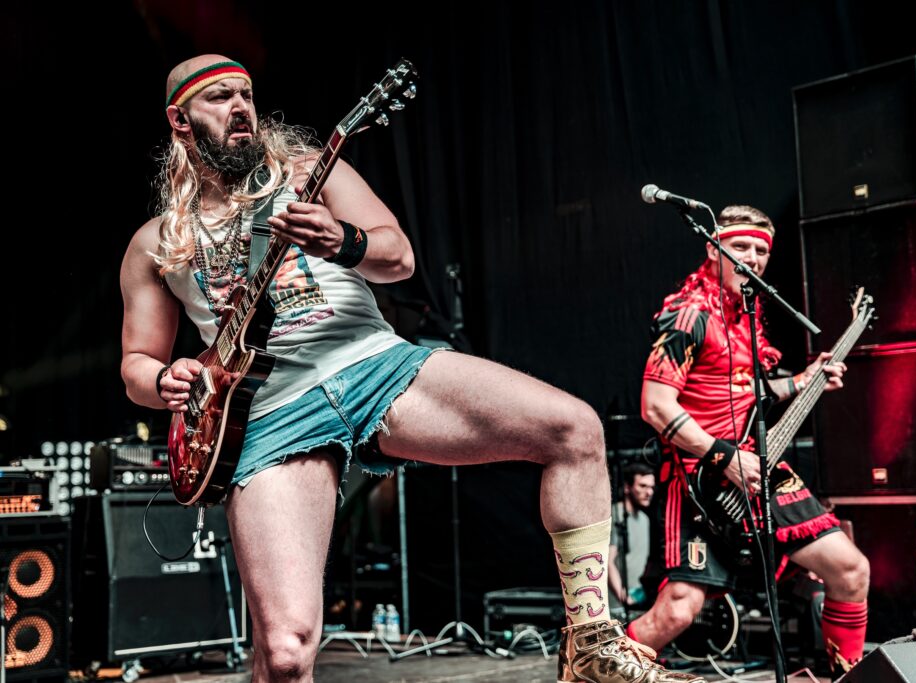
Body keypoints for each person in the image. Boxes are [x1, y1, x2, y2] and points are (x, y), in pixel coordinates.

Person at [119, 55, 702, 682]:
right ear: (180, 121)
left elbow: (398, 258)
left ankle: (590, 644)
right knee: (284, 654)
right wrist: (164, 380)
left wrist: (344, 241)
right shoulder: (156, 241)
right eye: (219, 98)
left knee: (574, 428)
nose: (240, 108)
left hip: (374, 366)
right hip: (272, 414)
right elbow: (136, 365)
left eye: (246, 95)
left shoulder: (310, 171)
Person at [628, 206, 870, 675]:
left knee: (850, 569)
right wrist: (725, 458)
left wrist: (803, 381)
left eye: (761, 250)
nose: (752, 257)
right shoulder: (689, 314)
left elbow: (743, 392)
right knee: (678, 610)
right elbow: (655, 406)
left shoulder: (744, 317)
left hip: (758, 465)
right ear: (712, 250)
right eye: (740, 246)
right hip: (701, 478)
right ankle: (588, 672)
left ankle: (848, 676)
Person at [609, 462, 655, 616]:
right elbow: (607, 562)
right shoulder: (615, 514)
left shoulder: (645, 520)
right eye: (643, 486)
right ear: (627, 487)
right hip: (616, 605)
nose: (649, 492)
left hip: (638, 602)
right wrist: (624, 597)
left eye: (651, 487)